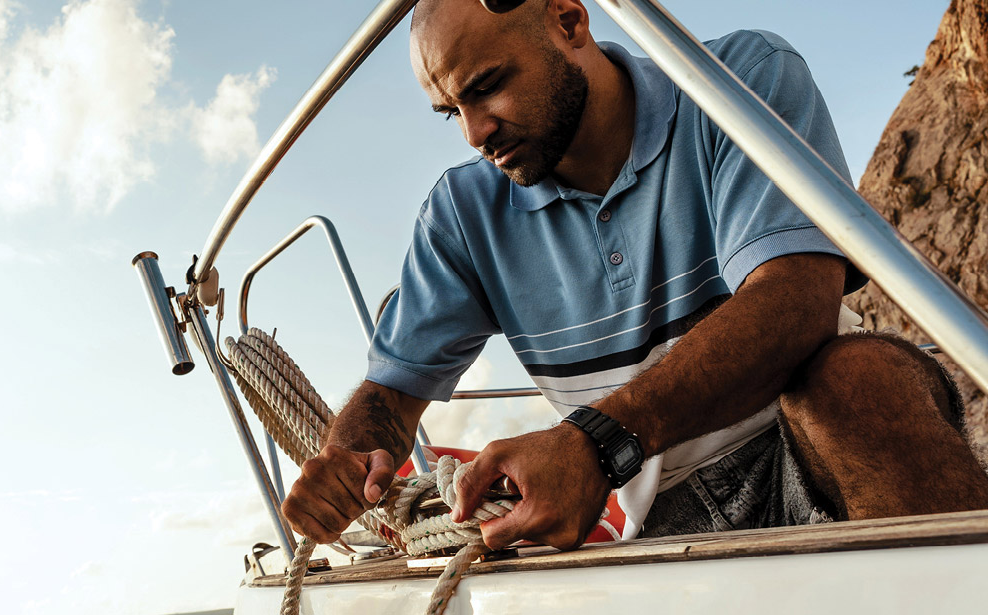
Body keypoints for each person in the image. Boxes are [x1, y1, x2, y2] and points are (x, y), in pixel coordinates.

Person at [280, 0, 988, 552]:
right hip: (665, 506)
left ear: (569, 21)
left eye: (488, 87)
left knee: (852, 379)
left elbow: (797, 299)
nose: (474, 132)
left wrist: (594, 441)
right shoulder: (464, 213)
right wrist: (348, 460)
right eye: (451, 112)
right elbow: (388, 396)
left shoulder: (737, 83)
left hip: (818, 446)